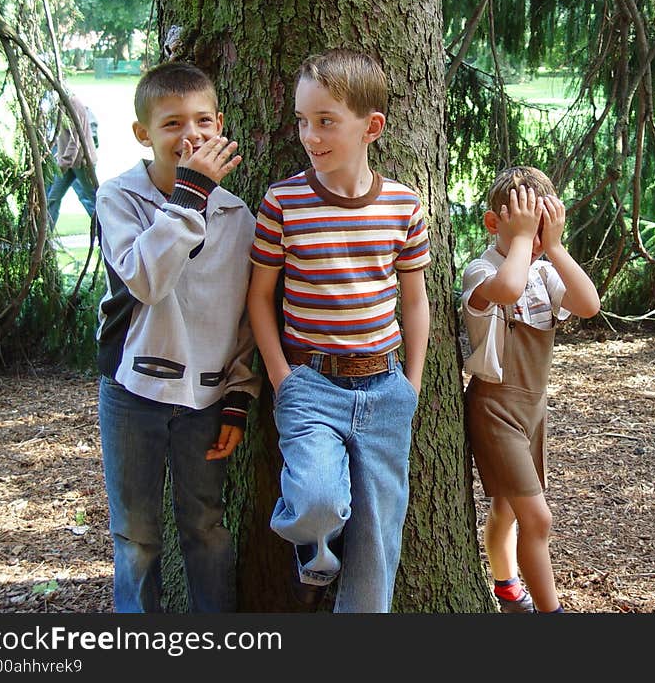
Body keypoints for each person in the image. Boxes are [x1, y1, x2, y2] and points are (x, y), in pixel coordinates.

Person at [247, 48, 431, 613]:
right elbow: (259, 298)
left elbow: (415, 303)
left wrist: (412, 385)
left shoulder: (403, 207)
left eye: (326, 121)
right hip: (311, 386)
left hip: (385, 390)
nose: (310, 135)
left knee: (378, 549)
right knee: (316, 501)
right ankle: (315, 549)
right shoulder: (284, 202)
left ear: (371, 127)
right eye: (303, 120)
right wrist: (284, 380)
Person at [94, 61, 260, 613]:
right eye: (171, 124)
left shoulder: (238, 215)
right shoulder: (119, 198)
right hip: (132, 392)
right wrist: (189, 197)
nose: (190, 135)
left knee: (206, 529)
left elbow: (241, 315)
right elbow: (145, 279)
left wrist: (239, 397)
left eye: (203, 121)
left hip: (207, 398)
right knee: (137, 540)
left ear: (220, 126)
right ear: (144, 134)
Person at [461, 166, 600, 613]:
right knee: (538, 518)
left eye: (540, 229)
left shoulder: (543, 273)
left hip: (533, 409)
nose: (533, 239)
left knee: (506, 506)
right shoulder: (481, 271)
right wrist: (522, 239)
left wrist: (553, 248)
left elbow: (588, 304)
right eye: (522, 227)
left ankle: (506, 587)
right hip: (496, 408)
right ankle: (549, 612)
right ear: (492, 223)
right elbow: (506, 289)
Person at [45, 92, 99, 227]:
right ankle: (46, 241)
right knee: (53, 198)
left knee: (94, 201)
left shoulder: (73, 103)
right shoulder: (59, 105)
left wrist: (64, 162)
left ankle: (107, 237)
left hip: (82, 162)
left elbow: (76, 138)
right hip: (67, 163)